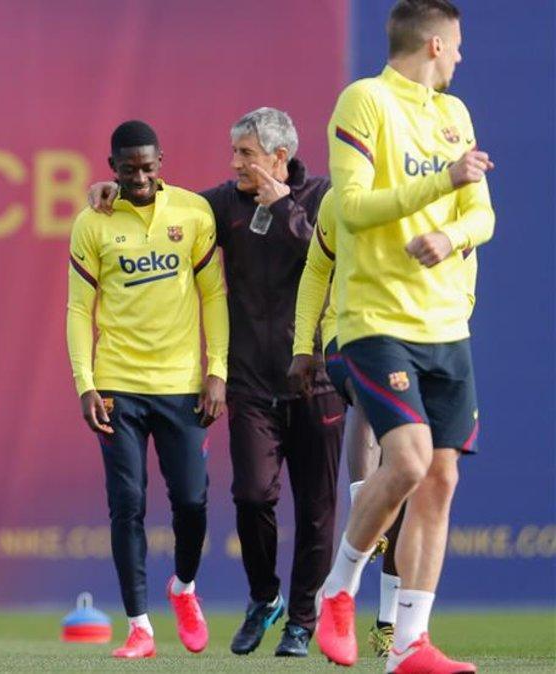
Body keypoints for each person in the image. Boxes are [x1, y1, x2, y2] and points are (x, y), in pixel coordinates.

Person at [88, 108, 341, 658]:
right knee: (251, 496)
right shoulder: (223, 204)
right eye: (234, 154)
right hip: (250, 382)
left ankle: (302, 619)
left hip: (316, 377)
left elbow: (335, 257)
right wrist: (115, 188)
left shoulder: (324, 198)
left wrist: (288, 210)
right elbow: (162, 201)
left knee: (317, 508)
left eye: (245, 155)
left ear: (279, 156)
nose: (234, 165)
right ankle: (263, 597)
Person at [313, 1, 494, 671]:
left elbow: (483, 215)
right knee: (410, 461)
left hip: (448, 323)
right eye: (457, 46)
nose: (462, 58)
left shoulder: (455, 115)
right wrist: (438, 187)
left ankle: (409, 645)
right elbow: (353, 210)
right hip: (378, 318)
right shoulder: (364, 102)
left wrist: (452, 234)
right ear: (437, 45)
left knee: (440, 479)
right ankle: (339, 591)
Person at [66, 120, 227, 659]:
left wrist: (217, 371)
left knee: (192, 501)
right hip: (118, 385)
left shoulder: (193, 213)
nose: (139, 177)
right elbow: (78, 309)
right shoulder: (93, 222)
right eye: (128, 168)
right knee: (127, 504)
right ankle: (140, 628)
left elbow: (213, 296)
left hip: (182, 385)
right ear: (111, 167)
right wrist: (85, 383)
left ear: (162, 162)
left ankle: (183, 589)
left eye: (147, 167)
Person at [288, 189, 406, 659]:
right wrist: (303, 345)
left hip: (420, 334)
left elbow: (467, 252)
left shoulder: (430, 191)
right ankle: (362, 504)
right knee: (368, 394)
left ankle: (390, 623)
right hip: (349, 330)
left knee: (409, 478)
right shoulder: (342, 198)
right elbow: (317, 270)